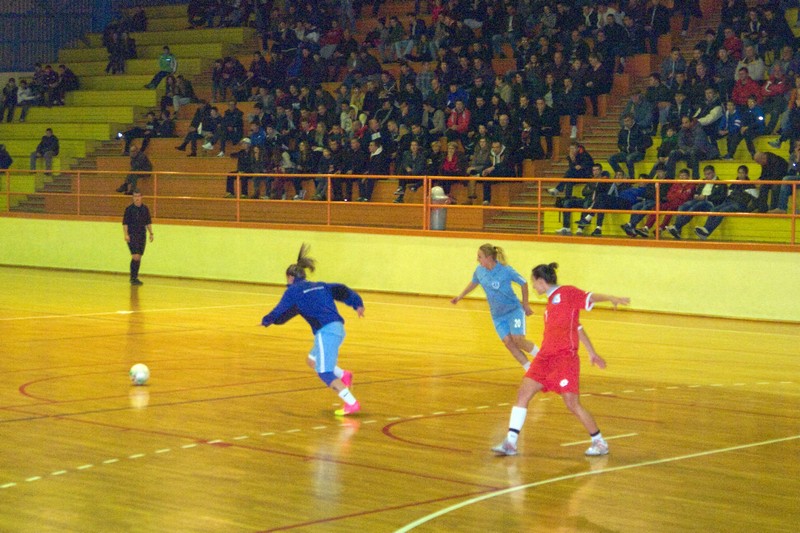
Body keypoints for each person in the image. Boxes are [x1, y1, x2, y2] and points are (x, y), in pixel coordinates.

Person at [492, 262, 629, 457]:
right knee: (523, 394)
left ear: (541, 281)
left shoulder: (567, 293)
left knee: (572, 403)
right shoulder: (550, 304)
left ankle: (599, 442)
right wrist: (592, 352)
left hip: (565, 358)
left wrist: (610, 298)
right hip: (544, 358)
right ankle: (510, 443)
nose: (533, 286)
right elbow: (577, 327)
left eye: (533, 282)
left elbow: (590, 297)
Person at [260, 244, 363, 416]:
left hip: (326, 332)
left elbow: (281, 309)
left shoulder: (293, 291)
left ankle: (351, 403)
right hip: (338, 328)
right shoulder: (321, 285)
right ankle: (344, 375)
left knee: (324, 372)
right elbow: (342, 290)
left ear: (290, 277)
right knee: (312, 360)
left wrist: (267, 320)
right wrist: (357, 303)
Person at [451, 244, 539, 372]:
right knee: (508, 342)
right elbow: (474, 282)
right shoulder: (479, 271)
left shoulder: (506, 270)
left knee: (518, 339)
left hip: (514, 311)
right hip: (497, 316)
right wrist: (460, 296)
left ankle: (542, 357)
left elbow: (523, 283)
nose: (477, 259)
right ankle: (530, 369)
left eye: (480, 257)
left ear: (489, 257)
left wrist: (525, 304)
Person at [694, 165, 754, 239]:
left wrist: (748, 209)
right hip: (729, 202)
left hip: (740, 204)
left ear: (746, 174)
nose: (740, 175)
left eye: (742, 173)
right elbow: (728, 195)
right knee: (714, 209)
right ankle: (705, 229)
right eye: (739, 173)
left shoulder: (750, 185)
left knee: (722, 211)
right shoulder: (733, 184)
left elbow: (754, 199)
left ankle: (707, 231)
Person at [122, 190, 153, 286]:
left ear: (141, 197)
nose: (137, 198)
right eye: (135, 196)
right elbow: (125, 223)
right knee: (135, 256)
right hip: (132, 235)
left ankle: (135, 277)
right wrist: (126, 234)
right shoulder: (129, 209)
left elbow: (148, 222)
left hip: (142, 235)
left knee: (139, 257)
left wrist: (151, 233)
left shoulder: (145, 209)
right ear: (133, 197)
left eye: (138, 196)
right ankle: (133, 278)